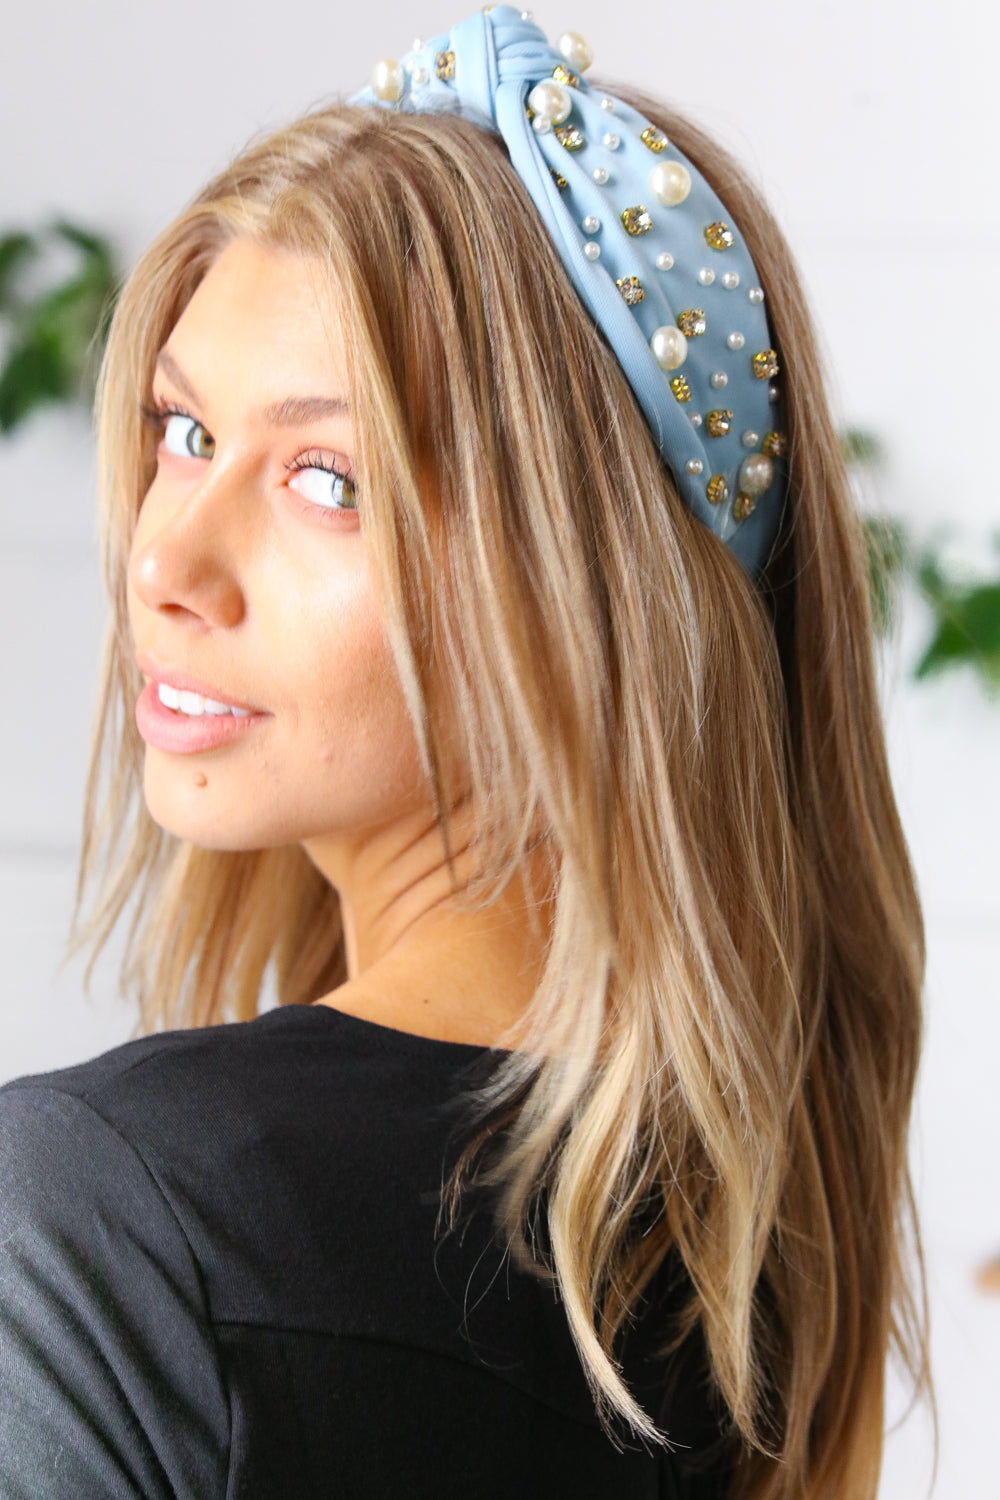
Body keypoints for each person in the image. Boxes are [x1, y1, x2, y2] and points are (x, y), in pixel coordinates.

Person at [0, 6, 932, 1496]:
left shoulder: (100, 1220)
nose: (166, 560)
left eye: (327, 479)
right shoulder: (758, 1277)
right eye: (184, 432)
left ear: (585, 603)